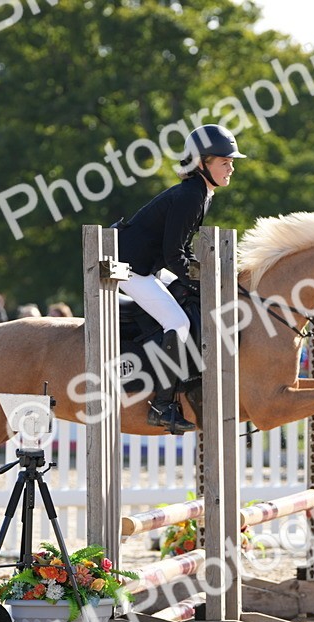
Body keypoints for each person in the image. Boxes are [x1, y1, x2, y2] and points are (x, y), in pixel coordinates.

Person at [115, 123, 244, 432]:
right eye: (224, 161)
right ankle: (162, 405)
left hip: (147, 266)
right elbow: (175, 254)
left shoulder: (201, 192)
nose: (231, 168)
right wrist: (204, 283)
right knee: (179, 323)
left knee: (188, 305)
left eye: (231, 161)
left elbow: (180, 251)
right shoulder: (191, 196)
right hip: (129, 270)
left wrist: (199, 281)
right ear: (202, 163)